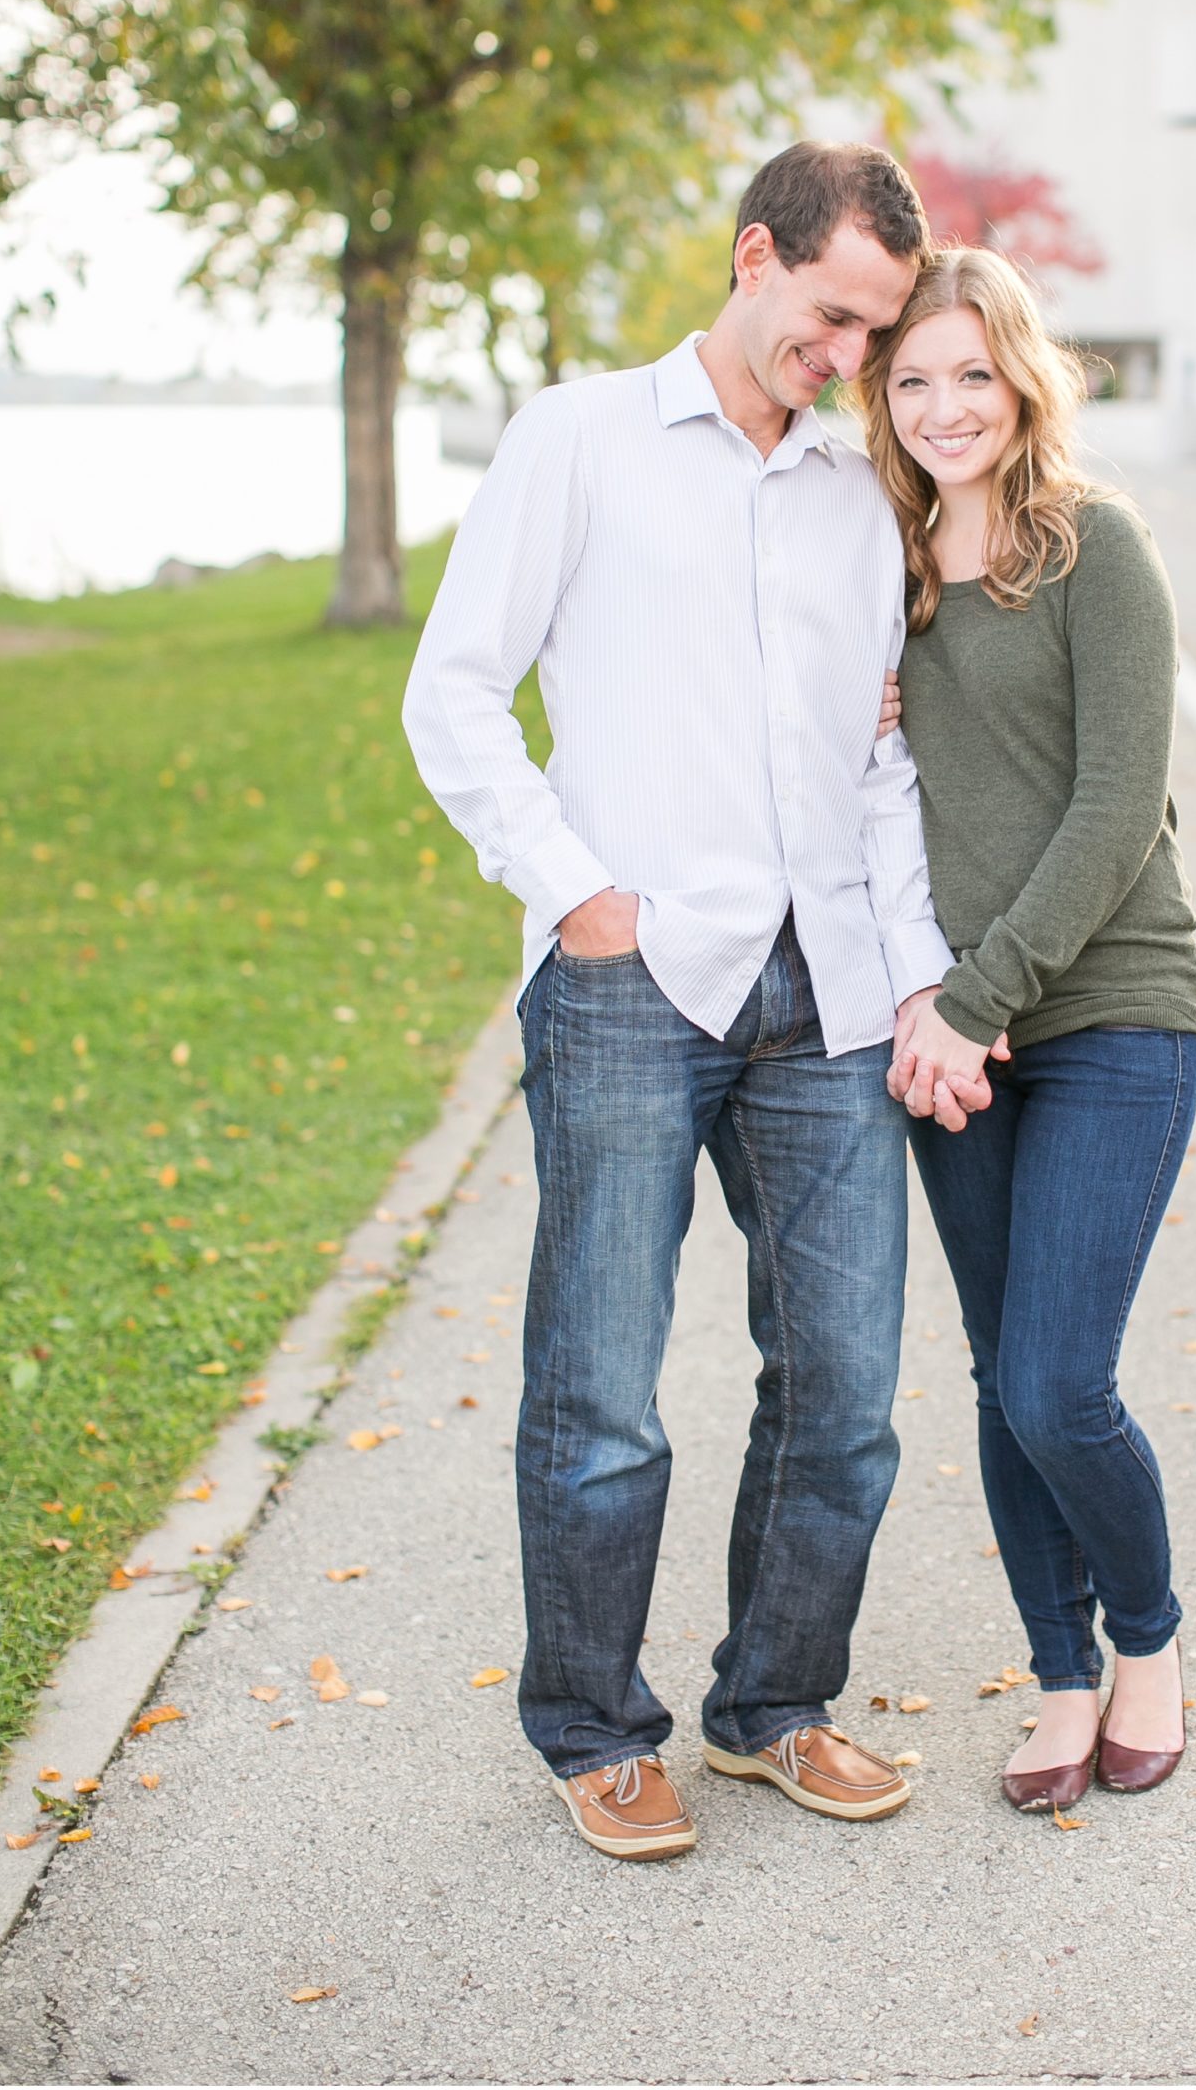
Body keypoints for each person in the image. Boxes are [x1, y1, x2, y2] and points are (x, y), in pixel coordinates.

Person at [402, 144, 999, 1862]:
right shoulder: (576, 438)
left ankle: (772, 1707)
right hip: (629, 983)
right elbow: (454, 695)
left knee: (845, 1391)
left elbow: (875, 762)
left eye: (877, 335)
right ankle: (595, 1728)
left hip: (825, 994)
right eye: (832, 317)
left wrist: (910, 979)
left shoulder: (850, 489)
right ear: (753, 257)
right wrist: (575, 895)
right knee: (599, 1390)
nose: (849, 359)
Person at [851, 246, 1196, 1811]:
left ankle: (1147, 1645)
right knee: (1002, 1379)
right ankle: (1058, 1679)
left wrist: (972, 1004)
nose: (942, 407)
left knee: (1061, 1382)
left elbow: (1117, 805)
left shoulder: (1094, 550)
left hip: (1108, 1011)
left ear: (1020, 379)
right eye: (911, 379)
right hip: (954, 1036)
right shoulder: (884, 572)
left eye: (969, 376)